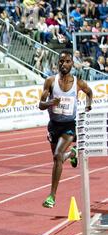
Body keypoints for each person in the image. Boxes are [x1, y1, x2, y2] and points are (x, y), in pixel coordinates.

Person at [39, 51, 93, 208]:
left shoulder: (78, 83)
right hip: (53, 125)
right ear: (58, 63)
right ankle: (73, 153)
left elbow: (89, 92)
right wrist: (50, 103)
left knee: (57, 156)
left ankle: (52, 196)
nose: (64, 64)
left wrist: (89, 105)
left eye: (67, 61)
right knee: (59, 159)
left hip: (69, 126)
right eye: (61, 61)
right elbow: (41, 105)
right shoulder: (50, 81)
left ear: (72, 64)